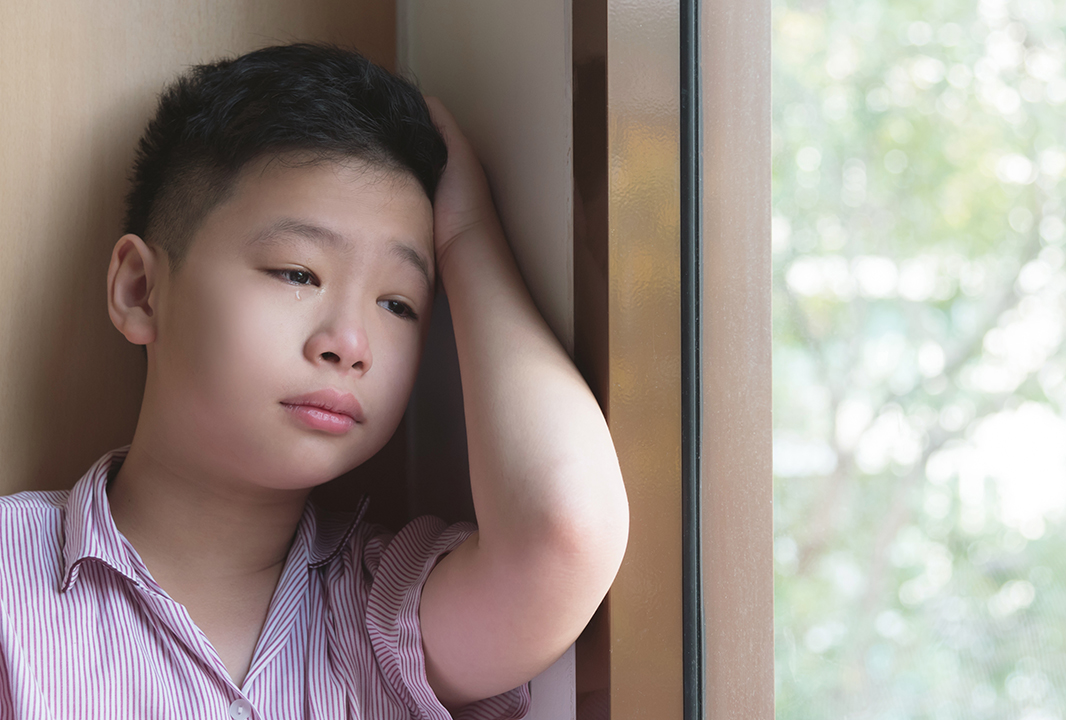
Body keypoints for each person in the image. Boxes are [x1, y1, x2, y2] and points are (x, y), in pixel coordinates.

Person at [0, 43, 629, 719]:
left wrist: (468, 238)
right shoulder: (13, 584)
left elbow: (562, 531)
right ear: (141, 290)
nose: (350, 345)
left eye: (399, 304)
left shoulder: (381, 616)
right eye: (298, 274)